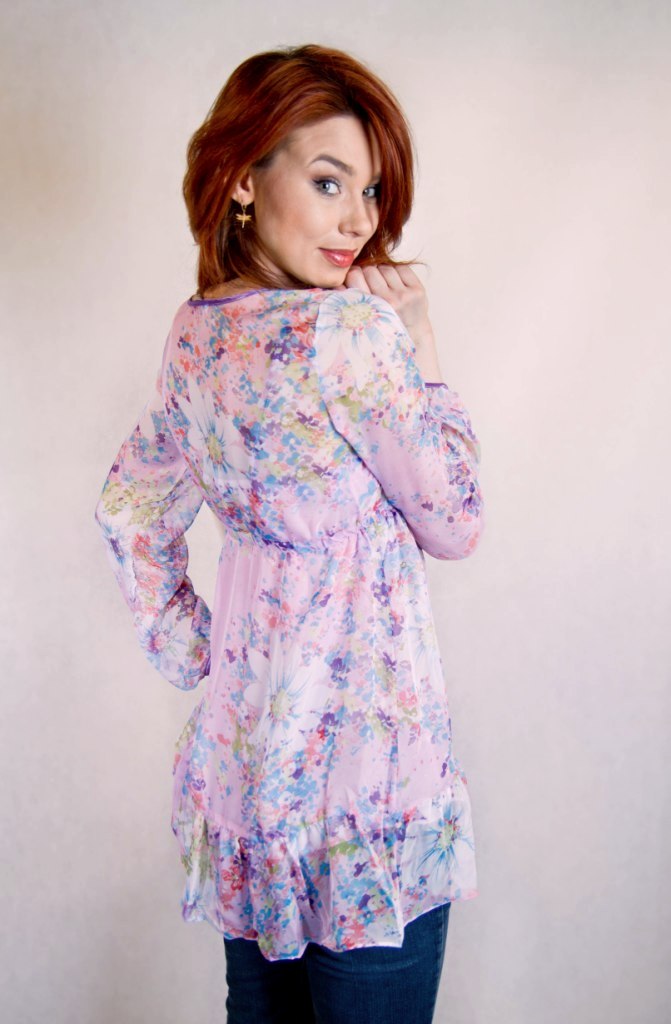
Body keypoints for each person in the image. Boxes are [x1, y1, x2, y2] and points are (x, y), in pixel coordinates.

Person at [94, 43, 484, 1024]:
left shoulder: (197, 334)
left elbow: (131, 506)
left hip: (251, 785)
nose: (359, 220)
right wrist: (423, 347)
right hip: (365, 794)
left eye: (370, 190)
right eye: (327, 181)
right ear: (240, 178)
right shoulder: (353, 337)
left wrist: (202, 651)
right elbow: (454, 519)